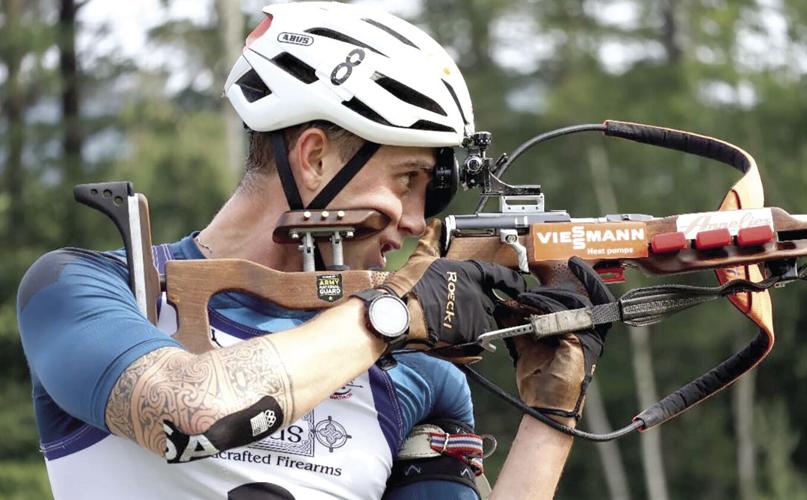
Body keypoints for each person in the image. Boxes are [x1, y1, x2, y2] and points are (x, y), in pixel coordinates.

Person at [17, 3, 612, 499]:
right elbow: (192, 412)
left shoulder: (420, 377)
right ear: (314, 156)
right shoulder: (87, 287)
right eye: (407, 180)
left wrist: (550, 417)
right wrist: (391, 313)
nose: (413, 220)